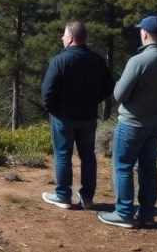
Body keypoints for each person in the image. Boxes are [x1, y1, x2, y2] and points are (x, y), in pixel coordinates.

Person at [97, 15, 157, 229]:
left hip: (132, 123)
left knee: (122, 166)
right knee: (148, 168)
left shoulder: (138, 61)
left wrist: (118, 83)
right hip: (155, 123)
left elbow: (119, 95)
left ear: (145, 33)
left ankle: (124, 213)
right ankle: (147, 214)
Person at [40, 19, 114, 210]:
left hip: (63, 117)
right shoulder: (97, 60)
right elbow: (108, 87)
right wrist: (92, 101)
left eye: (64, 35)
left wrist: (53, 109)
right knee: (88, 155)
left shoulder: (60, 60)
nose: (62, 38)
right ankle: (87, 198)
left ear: (71, 38)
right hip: (88, 116)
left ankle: (63, 196)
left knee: (63, 155)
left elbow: (47, 91)